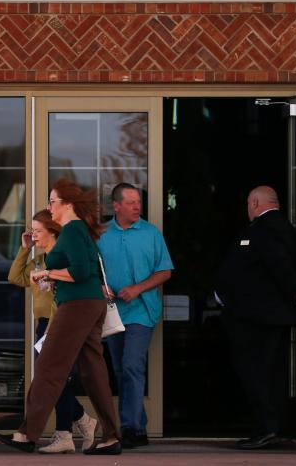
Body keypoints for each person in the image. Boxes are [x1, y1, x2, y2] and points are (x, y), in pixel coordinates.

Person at [0, 179, 121, 455]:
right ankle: (111, 437)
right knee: (93, 372)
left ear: (68, 204)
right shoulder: (78, 231)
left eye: (52, 201)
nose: (49, 206)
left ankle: (27, 434)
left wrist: (47, 273)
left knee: (49, 368)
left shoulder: (72, 231)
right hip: (88, 303)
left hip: (77, 305)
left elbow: (77, 272)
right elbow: (87, 270)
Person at [214, 186, 296, 450]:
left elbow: (278, 263)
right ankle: (272, 427)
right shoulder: (282, 226)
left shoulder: (266, 228)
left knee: (257, 373)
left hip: (258, 318)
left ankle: (268, 428)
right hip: (265, 316)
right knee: (270, 373)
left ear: (254, 202)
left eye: (247, 203)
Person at [7, 209, 98, 453]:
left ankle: (67, 431)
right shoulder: (38, 262)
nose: (33, 235)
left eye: (38, 231)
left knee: (51, 379)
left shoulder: (64, 260)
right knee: (53, 380)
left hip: (63, 324)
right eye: (32, 231)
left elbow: (82, 278)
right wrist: (25, 248)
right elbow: (15, 277)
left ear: (52, 231)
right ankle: (77, 425)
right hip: (44, 325)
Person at [97, 183, 173, 449]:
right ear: (116, 206)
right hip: (113, 313)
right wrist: (101, 286)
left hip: (142, 311)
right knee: (119, 368)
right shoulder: (101, 235)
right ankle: (138, 425)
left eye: (138, 202)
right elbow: (92, 270)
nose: (137, 206)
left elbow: (165, 271)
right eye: (131, 202)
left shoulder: (151, 233)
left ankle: (130, 427)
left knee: (131, 365)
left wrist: (138, 288)